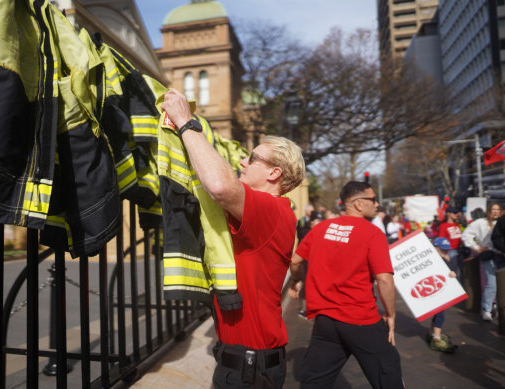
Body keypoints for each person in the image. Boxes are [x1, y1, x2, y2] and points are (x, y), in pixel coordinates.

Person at [161, 88, 305, 388]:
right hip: (242, 363)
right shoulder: (261, 211)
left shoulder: (273, 209)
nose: (242, 162)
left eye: (253, 159)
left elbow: (219, 187)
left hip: (250, 369)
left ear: (274, 173)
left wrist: (187, 123)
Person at [287, 181, 404, 388]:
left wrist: (296, 280)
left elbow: (295, 261)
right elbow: (384, 279)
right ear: (358, 204)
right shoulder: (373, 233)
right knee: (389, 371)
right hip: (360, 319)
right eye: (373, 200)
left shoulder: (320, 228)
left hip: (326, 321)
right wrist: (391, 314)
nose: (377, 204)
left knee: (316, 380)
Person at [462, 203, 505, 321]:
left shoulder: (503, 221)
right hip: (489, 255)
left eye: (498, 209)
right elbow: (466, 235)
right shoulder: (480, 222)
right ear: (489, 211)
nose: (495, 212)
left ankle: (496, 306)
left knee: (502, 283)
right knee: (492, 283)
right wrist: (477, 247)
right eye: (493, 209)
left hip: (503, 255)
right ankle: (486, 309)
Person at [427, 237, 458, 353]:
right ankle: (436, 338)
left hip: (438, 289)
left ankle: (433, 333)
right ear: (435, 247)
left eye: (446, 250)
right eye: (443, 249)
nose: (446, 252)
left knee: (438, 312)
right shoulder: (433, 259)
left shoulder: (444, 258)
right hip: (434, 290)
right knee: (440, 314)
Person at [438, 207, 463, 280]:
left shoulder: (457, 224)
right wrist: (444, 254)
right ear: (448, 214)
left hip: (460, 250)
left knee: (462, 271)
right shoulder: (443, 226)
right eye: (454, 213)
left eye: (457, 213)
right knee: (455, 272)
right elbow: (441, 241)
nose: (457, 214)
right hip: (450, 250)